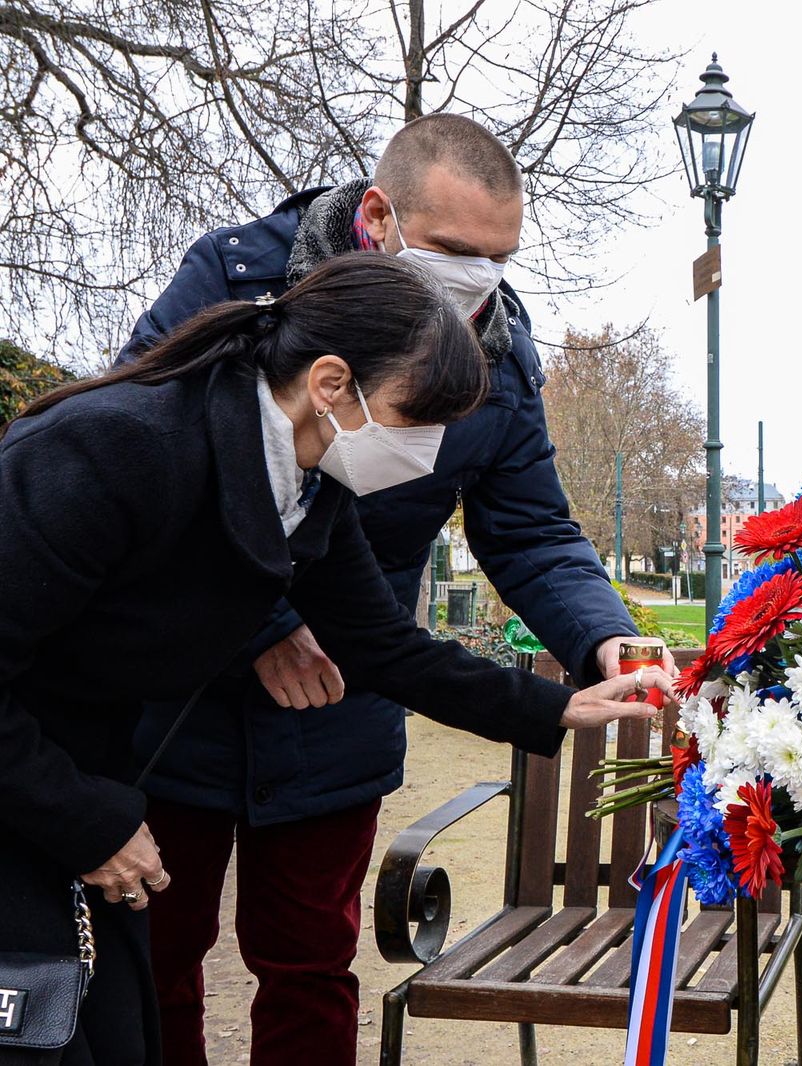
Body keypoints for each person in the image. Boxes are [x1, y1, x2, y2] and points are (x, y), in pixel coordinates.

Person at [0, 253, 674, 1066]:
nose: (428, 455)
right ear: (331, 383)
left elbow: (382, 645)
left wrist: (559, 706)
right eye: (417, 421)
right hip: (30, 782)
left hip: (79, 780)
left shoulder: (310, 483)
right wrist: (86, 822)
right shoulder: (114, 447)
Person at [115, 115, 645, 1065]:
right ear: (378, 216)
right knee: (152, 954)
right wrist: (265, 625)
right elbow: (148, 460)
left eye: (501, 257)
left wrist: (599, 638)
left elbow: (530, 531)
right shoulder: (235, 281)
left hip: (347, 687)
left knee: (312, 961)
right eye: (453, 252)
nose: (479, 281)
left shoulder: (504, 361)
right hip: (179, 683)